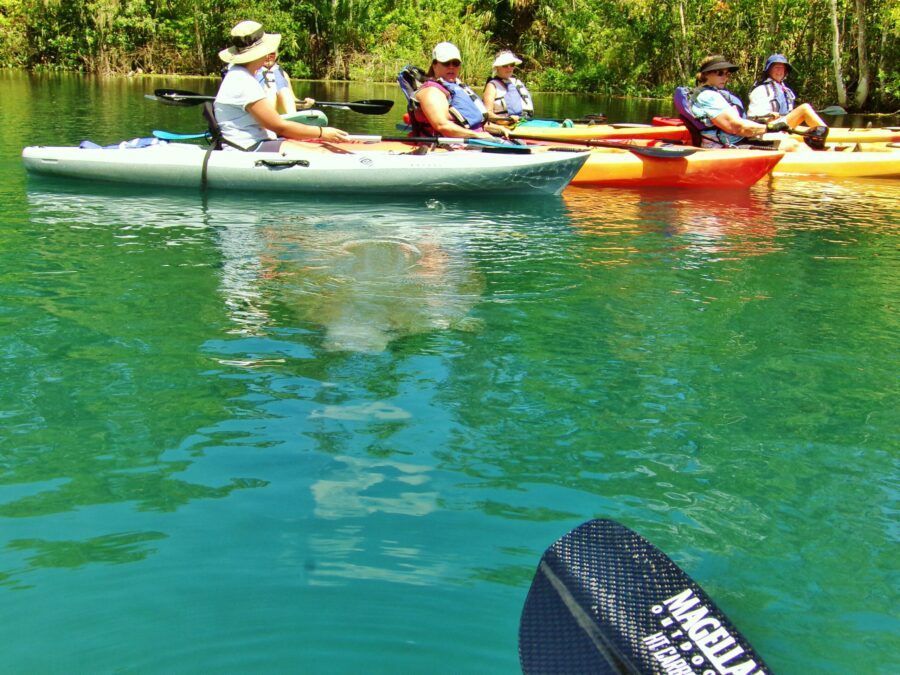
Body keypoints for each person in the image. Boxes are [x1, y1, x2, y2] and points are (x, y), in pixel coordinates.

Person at [214, 21, 348, 151]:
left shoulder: (239, 74)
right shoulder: (243, 81)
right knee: (320, 153)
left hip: (254, 143)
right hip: (248, 147)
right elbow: (279, 127)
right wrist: (321, 132)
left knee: (313, 148)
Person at [688, 55, 805, 150]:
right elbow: (736, 127)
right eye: (720, 73)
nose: (725, 77)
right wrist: (771, 127)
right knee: (793, 145)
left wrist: (762, 121)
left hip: (736, 140)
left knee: (792, 141)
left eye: (727, 74)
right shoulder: (709, 96)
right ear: (706, 74)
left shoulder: (715, 93)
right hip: (725, 146)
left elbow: (737, 123)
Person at [412, 42, 508, 139]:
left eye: (455, 63)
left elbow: (476, 124)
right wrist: (477, 135)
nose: (451, 67)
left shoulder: (458, 87)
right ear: (434, 65)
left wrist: (499, 129)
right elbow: (442, 125)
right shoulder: (431, 91)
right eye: (446, 63)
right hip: (450, 147)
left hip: (474, 142)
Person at [747, 54, 827, 131]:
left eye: (782, 68)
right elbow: (753, 118)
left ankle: (826, 132)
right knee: (804, 108)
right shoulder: (760, 90)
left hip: (783, 126)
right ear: (769, 70)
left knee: (807, 130)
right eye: (776, 68)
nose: (780, 71)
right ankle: (826, 134)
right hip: (769, 129)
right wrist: (768, 116)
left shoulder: (785, 90)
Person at [482, 50, 534, 124]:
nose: (509, 68)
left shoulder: (516, 82)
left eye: (512, 64)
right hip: (506, 124)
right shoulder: (492, 86)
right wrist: (507, 120)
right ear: (497, 67)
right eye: (505, 65)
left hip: (524, 122)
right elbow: (488, 114)